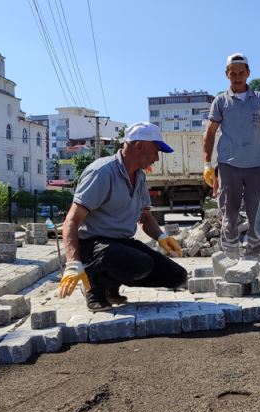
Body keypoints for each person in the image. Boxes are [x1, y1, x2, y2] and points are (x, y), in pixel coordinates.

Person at [57, 122, 188, 311]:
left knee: (177, 276)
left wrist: (161, 237)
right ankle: (94, 286)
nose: (157, 158)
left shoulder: (140, 177)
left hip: (120, 244)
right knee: (139, 263)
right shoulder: (102, 172)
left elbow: (144, 216)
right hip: (93, 245)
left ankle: (111, 285)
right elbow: (72, 220)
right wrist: (72, 263)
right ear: (140, 146)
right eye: (156, 150)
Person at [203, 53, 260, 259]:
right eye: (232, 74)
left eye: (241, 73)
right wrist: (206, 164)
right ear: (227, 75)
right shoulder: (221, 101)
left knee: (257, 214)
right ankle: (230, 257)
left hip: (256, 165)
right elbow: (210, 132)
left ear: (248, 73)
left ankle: (253, 256)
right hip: (229, 165)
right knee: (230, 212)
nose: (237, 77)